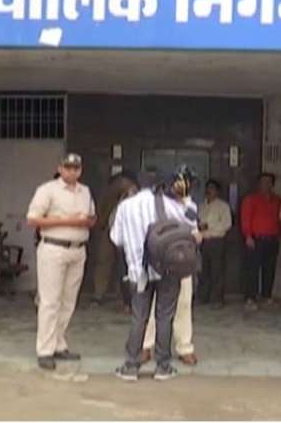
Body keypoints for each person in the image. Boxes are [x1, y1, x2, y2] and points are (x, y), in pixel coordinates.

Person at [112, 166, 201, 382]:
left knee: (139, 317)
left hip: (138, 272)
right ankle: (163, 366)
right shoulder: (169, 204)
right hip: (167, 269)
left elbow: (117, 239)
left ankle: (131, 366)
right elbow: (192, 224)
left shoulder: (125, 206)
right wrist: (184, 199)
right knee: (165, 316)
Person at [26, 153, 96, 371]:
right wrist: (69, 221)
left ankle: (58, 343)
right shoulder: (47, 190)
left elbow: (91, 218)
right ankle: (45, 350)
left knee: (68, 301)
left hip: (77, 249)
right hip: (54, 248)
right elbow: (32, 219)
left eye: (76, 168)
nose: (72, 172)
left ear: (80, 170)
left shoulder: (85, 191)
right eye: (68, 168)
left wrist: (85, 221)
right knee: (50, 301)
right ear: (60, 168)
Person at [91, 171, 138, 310]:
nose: (119, 185)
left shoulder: (137, 197)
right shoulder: (111, 196)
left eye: (122, 182)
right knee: (103, 261)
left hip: (129, 235)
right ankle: (99, 294)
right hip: (109, 231)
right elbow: (103, 210)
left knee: (126, 267)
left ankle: (127, 298)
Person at [240, 172, 281, 311]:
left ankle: (266, 296)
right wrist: (248, 236)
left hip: (272, 239)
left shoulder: (278, 200)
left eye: (269, 182)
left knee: (270, 269)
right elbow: (245, 218)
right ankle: (250, 298)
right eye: (263, 182)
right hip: (255, 239)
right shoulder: (251, 199)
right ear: (258, 184)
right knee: (252, 270)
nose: (266, 185)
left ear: (273, 184)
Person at [197, 179, 233, 308]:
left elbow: (227, 224)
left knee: (217, 271)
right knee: (203, 271)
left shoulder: (223, 206)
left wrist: (209, 226)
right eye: (207, 188)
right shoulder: (201, 205)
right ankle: (203, 297)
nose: (209, 191)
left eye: (212, 188)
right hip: (203, 241)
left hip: (217, 240)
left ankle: (217, 299)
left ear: (217, 191)